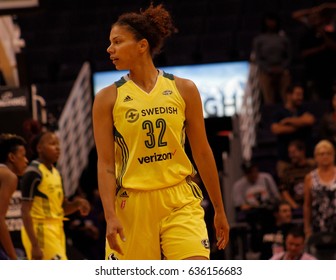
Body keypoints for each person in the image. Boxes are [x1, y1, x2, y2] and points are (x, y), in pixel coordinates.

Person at [92, 3, 230, 260]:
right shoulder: (107, 98)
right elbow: (106, 164)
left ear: (142, 45)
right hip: (132, 204)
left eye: (117, 42)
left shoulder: (184, 89)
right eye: (110, 43)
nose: (109, 49)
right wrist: (110, 216)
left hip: (179, 197)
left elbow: (201, 151)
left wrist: (219, 210)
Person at [21, 131, 91, 260]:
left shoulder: (56, 173)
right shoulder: (33, 173)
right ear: (39, 148)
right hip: (40, 231)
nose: (57, 148)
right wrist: (35, 245)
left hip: (57, 230)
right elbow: (25, 211)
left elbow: (63, 209)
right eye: (52, 144)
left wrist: (77, 204)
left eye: (58, 144)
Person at [232, 161, 280, 254]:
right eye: (249, 172)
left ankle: (271, 245)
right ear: (245, 173)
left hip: (267, 211)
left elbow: (276, 197)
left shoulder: (266, 178)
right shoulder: (238, 185)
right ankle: (256, 247)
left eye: (254, 171)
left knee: (269, 215)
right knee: (255, 218)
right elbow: (240, 206)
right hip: (252, 214)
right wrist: (253, 206)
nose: (253, 174)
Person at [271, 84, 316, 179]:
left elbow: (309, 120)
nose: (301, 97)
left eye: (302, 95)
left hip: (307, 159)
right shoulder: (278, 112)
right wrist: (300, 124)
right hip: (285, 160)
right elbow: (276, 129)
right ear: (289, 95)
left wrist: (288, 121)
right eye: (298, 94)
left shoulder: (305, 109)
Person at [251, 12, 291, 105]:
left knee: (286, 94)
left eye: (273, 21)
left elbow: (289, 56)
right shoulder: (259, 40)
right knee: (268, 98)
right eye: (269, 21)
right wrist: (268, 69)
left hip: (282, 69)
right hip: (266, 71)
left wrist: (282, 67)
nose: (271, 23)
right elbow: (257, 58)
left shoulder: (283, 38)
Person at [0, 134, 28, 260]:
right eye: (23, 155)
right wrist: (13, 257)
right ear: (11, 157)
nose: (26, 160)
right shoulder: (9, 176)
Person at [303, 140, 336, 239]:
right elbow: (307, 205)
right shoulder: (309, 178)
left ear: (333, 155)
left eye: (328, 153)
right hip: (318, 223)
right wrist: (307, 228)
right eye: (321, 154)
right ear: (316, 157)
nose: (325, 156)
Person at [279, 140, 315, 219]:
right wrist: (294, 205)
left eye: (294, 152)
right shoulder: (287, 171)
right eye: (290, 153)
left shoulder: (313, 169)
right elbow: (284, 190)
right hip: (295, 205)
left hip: (313, 204)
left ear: (302, 152)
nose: (291, 155)